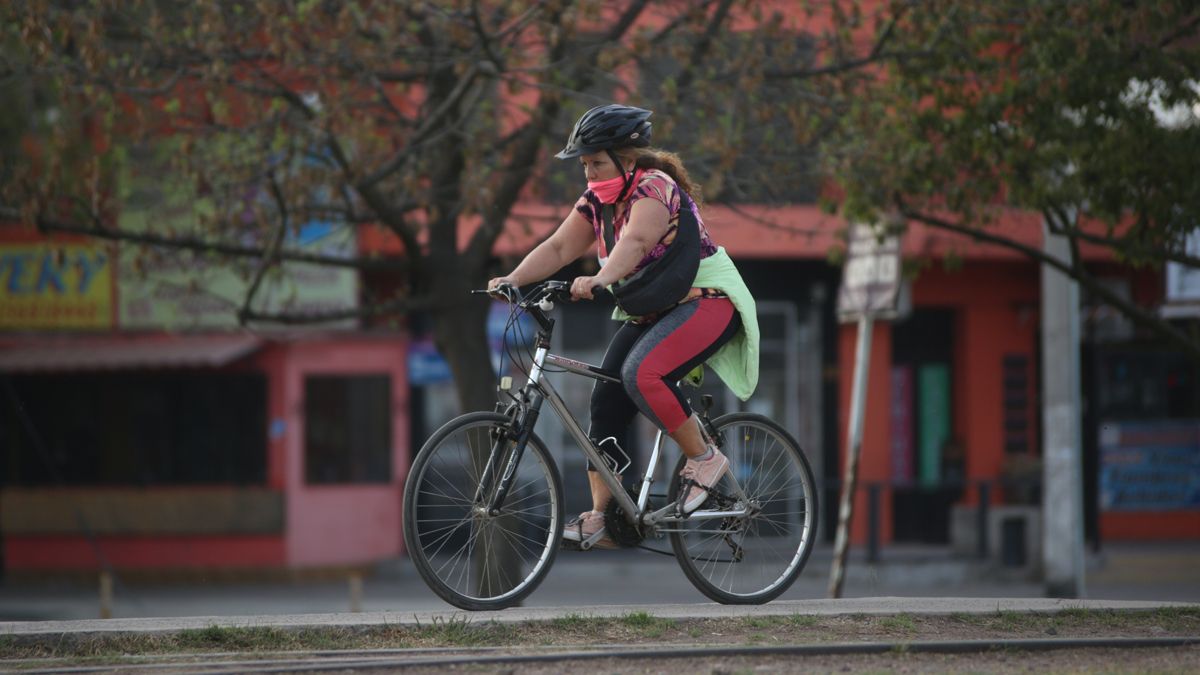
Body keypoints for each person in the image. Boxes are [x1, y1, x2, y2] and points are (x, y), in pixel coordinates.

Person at [488, 103, 759, 548]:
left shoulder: (655, 187)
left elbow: (636, 241)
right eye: (584, 165)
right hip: (657, 309)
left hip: (709, 303)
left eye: (596, 162)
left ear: (626, 159)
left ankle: (706, 459)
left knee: (642, 373)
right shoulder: (596, 201)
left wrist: (599, 278)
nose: (589, 174)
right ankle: (606, 514)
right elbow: (558, 248)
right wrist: (513, 280)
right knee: (606, 397)